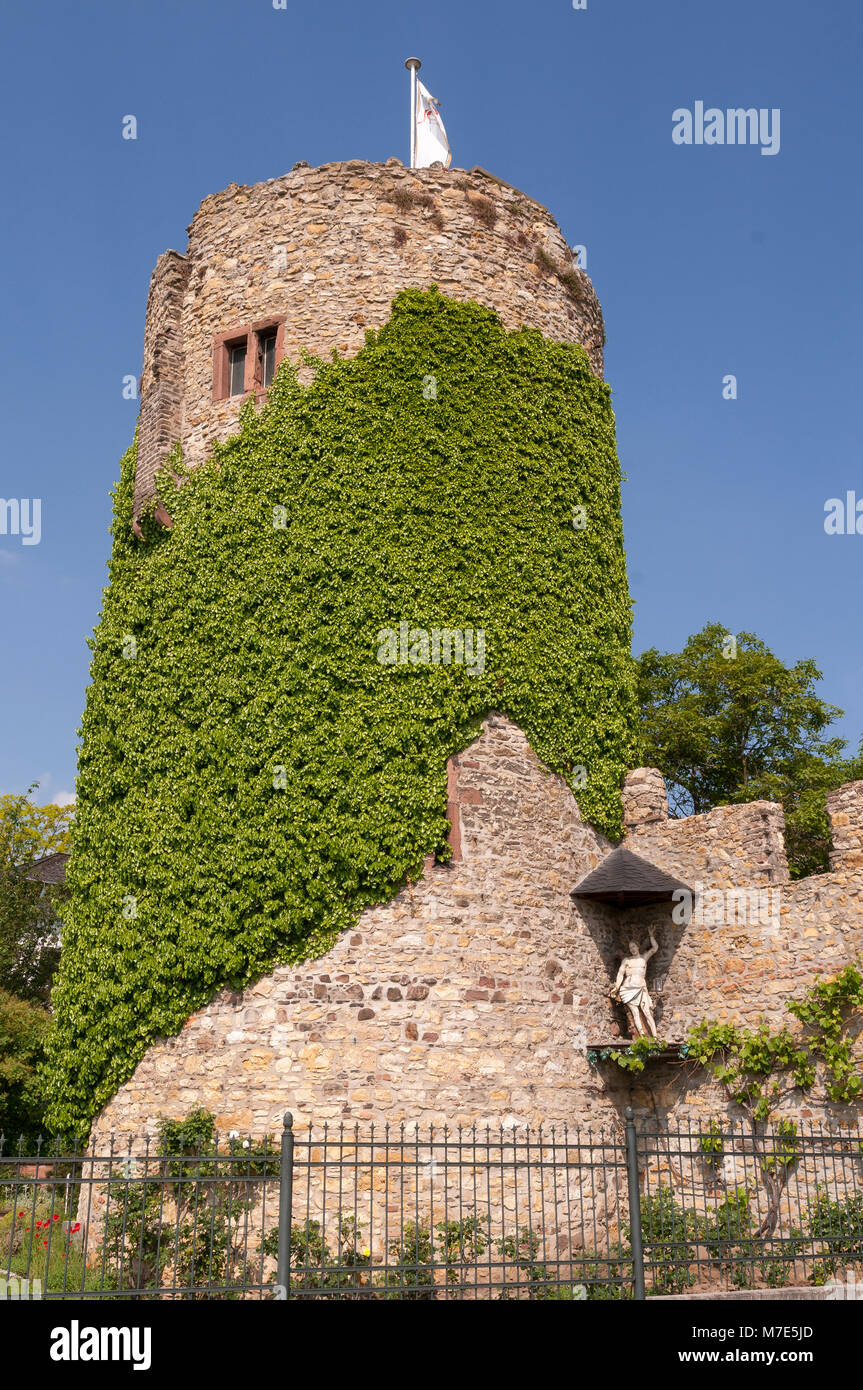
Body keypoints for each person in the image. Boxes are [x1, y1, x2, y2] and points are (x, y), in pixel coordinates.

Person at [610, 931, 659, 1038]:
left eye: (633, 946)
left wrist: (651, 936)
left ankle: (655, 1036)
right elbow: (620, 974)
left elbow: (655, 948)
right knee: (635, 1013)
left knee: (647, 1012)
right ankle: (642, 1036)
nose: (632, 949)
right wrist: (617, 986)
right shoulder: (626, 960)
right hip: (628, 989)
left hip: (641, 988)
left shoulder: (644, 958)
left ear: (638, 947)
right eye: (630, 947)